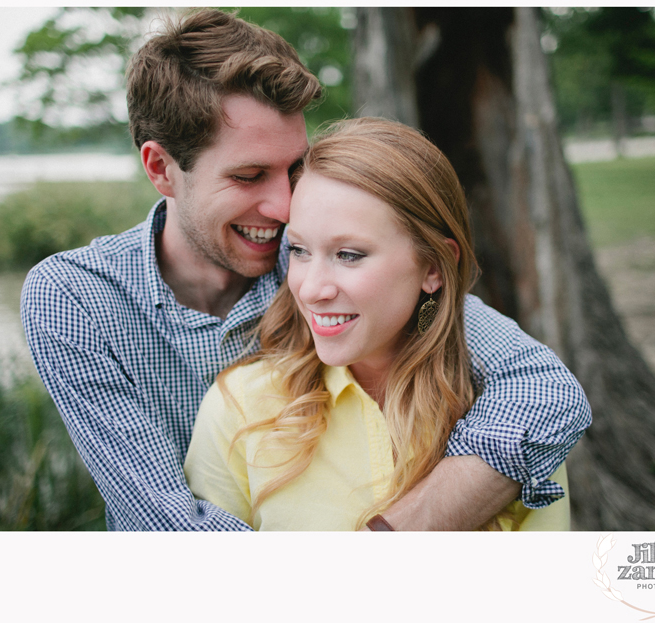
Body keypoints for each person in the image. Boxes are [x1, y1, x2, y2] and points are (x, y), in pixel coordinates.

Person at [21, 8, 590, 531]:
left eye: (294, 168)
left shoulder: (310, 261)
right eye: (248, 176)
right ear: (161, 168)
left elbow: (544, 389)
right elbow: (169, 530)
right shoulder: (75, 298)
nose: (284, 207)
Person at [184, 118, 573, 530]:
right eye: (298, 250)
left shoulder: (512, 424)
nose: (312, 289)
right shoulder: (241, 408)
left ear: (433, 268)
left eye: (349, 255)